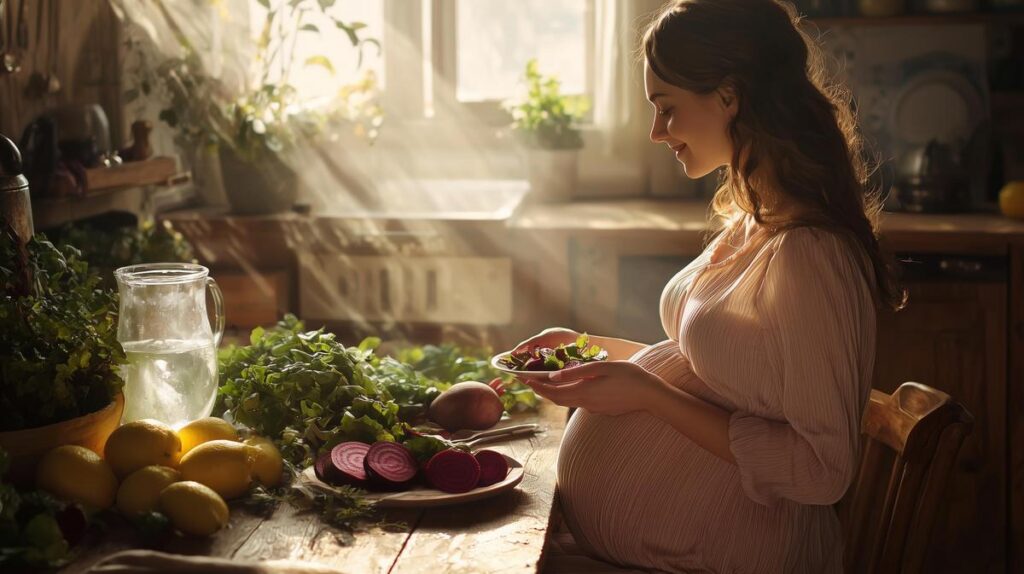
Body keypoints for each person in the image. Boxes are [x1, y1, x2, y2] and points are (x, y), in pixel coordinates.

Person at [516, 1, 905, 572]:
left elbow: (821, 470)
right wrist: (593, 352)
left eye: (667, 109)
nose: (656, 133)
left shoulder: (811, 253)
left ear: (729, 96)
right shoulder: (756, 221)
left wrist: (647, 393)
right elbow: (721, 375)